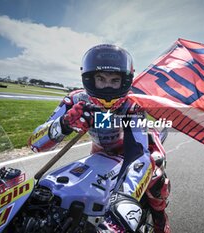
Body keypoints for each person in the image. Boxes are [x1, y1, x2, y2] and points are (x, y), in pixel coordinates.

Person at [28, 44, 170, 232]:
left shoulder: (132, 105)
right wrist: (63, 124)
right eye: (101, 79)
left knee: (156, 176)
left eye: (114, 80)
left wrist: (123, 205)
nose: (107, 86)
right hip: (100, 153)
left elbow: (138, 153)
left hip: (138, 148)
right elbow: (34, 144)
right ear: (89, 78)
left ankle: (160, 220)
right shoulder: (74, 100)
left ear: (124, 81)